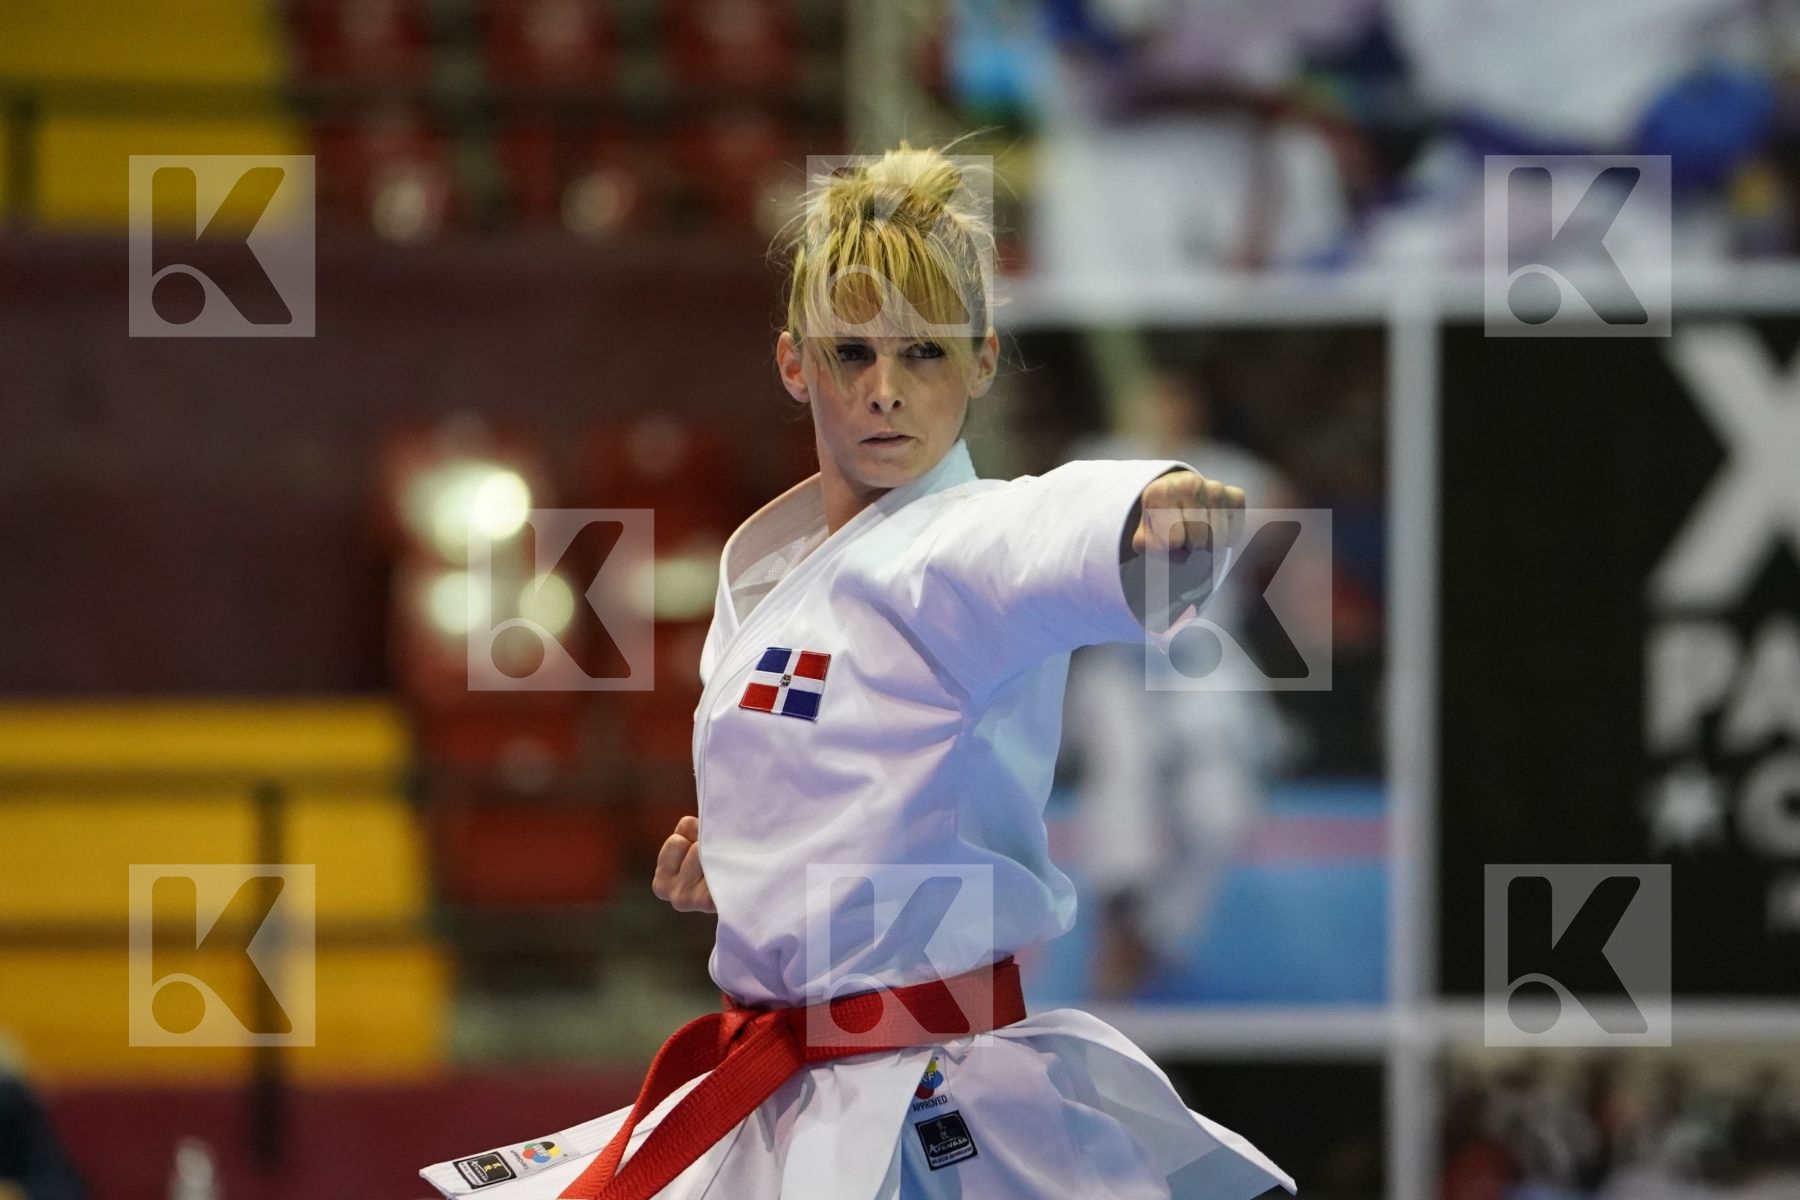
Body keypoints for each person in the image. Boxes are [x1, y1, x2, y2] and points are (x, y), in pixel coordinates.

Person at [421, 142, 1295, 1200]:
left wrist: (1151, 508)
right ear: (795, 363)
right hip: (789, 1083)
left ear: (982, 360)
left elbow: (1039, 528)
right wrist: (754, 870)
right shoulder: (776, 568)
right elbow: (854, 779)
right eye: (852, 355)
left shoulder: (957, 553)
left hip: (928, 1100)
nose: (885, 393)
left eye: (924, 354)